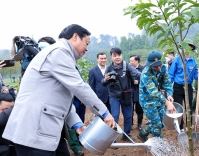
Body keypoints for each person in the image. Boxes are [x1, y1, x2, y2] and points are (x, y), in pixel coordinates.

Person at [3, 24, 115, 155]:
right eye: (86, 43)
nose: (87, 48)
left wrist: (77, 124)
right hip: (32, 133)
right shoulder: (59, 52)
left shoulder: (62, 55)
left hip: (45, 132)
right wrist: (104, 113)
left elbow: (63, 98)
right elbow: (80, 87)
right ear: (75, 37)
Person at [102, 47, 141, 142]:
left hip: (126, 95)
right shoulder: (109, 68)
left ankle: (126, 135)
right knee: (114, 116)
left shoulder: (127, 66)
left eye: (119, 55)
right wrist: (105, 80)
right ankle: (112, 137)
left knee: (128, 116)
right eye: (115, 55)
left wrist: (146, 75)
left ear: (122, 56)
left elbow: (137, 74)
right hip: (114, 96)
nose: (117, 57)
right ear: (111, 57)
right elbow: (103, 83)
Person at [137, 51, 176, 142]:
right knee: (157, 125)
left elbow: (167, 82)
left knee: (163, 121)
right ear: (150, 65)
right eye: (155, 66)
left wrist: (169, 94)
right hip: (147, 101)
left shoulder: (162, 68)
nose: (158, 68)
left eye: (160, 65)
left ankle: (143, 134)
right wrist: (167, 103)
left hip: (159, 99)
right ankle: (159, 146)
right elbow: (153, 92)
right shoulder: (145, 73)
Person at [168, 39, 199, 131]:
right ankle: (181, 128)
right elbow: (171, 74)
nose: (186, 49)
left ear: (191, 48)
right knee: (179, 108)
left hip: (188, 87)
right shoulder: (177, 59)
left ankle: (189, 127)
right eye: (184, 47)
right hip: (177, 86)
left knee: (189, 108)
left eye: (188, 47)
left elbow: (195, 76)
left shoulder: (194, 61)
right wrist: (168, 88)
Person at [129, 55, 144, 130]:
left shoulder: (143, 69)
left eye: (132, 61)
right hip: (130, 92)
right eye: (130, 61)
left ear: (137, 61)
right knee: (129, 109)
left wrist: (138, 82)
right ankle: (130, 124)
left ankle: (139, 124)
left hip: (139, 92)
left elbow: (145, 80)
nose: (130, 62)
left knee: (139, 110)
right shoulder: (128, 69)